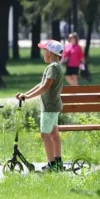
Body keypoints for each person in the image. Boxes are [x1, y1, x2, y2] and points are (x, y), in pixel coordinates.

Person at [16, 40, 64, 172]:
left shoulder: (52, 68)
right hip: (54, 106)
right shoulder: (56, 66)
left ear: (50, 52)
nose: (44, 53)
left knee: (45, 135)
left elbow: (45, 87)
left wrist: (28, 97)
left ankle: (52, 164)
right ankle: (58, 162)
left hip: (49, 107)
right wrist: (25, 94)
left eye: (44, 50)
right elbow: (40, 84)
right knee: (54, 133)